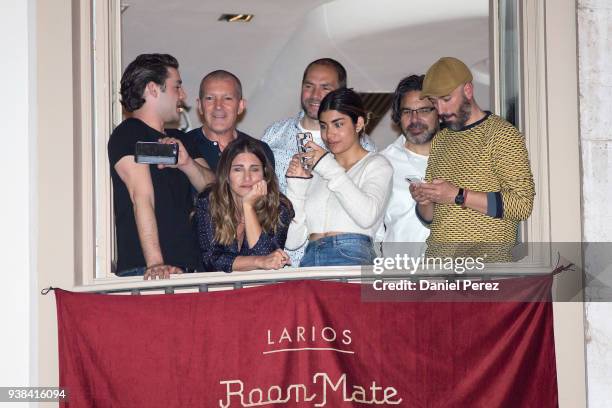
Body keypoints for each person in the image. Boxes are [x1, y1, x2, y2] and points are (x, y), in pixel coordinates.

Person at [410, 57, 535, 261]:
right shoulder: (441, 140)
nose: (440, 110)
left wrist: (459, 195)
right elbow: (431, 219)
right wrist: (425, 199)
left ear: (468, 90)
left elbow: (522, 205)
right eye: (434, 102)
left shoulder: (502, 134)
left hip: (485, 270)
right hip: (437, 268)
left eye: (446, 99)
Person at [108, 54, 215, 279]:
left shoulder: (181, 139)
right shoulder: (129, 133)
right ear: (153, 89)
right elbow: (142, 197)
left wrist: (187, 164)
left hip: (190, 269)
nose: (183, 96)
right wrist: (156, 264)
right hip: (148, 271)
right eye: (177, 87)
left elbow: (215, 190)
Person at [261, 58, 375, 265]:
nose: (314, 95)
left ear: (340, 92)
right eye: (308, 86)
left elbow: (371, 212)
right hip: (281, 262)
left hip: (340, 263)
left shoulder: (363, 146)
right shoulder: (274, 135)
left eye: (325, 87)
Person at [285, 88, 392, 267]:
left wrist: (327, 167)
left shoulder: (377, 164)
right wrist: (296, 186)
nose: (329, 134)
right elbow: (292, 241)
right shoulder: (320, 169)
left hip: (353, 256)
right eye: (324, 126)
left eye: (338, 124)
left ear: (358, 124)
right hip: (310, 259)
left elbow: (367, 216)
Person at [196, 138, 294, 272]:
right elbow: (211, 259)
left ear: (264, 174)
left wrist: (248, 207)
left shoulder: (280, 207)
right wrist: (259, 262)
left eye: (254, 170)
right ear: (226, 175)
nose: (247, 178)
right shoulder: (209, 201)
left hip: (260, 288)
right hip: (217, 287)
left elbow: (267, 258)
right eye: (238, 169)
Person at [376, 74, 438, 257]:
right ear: (397, 116)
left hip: (454, 275)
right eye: (407, 112)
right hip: (399, 276)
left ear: (440, 113)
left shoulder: (462, 159)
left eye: (424, 110)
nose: (415, 119)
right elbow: (373, 233)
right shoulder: (382, 163)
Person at [185, 70, 274, 171]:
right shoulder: (183, 149)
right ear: (200, 105)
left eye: (227, 98)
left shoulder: (260, 151)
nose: (218, 106)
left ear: (240, 106)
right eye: (210, 98)